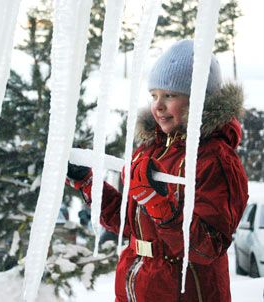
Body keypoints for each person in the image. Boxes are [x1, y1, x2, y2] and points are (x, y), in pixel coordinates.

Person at [66, 39, 249, 302]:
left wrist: (158, 203)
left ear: (199, 100)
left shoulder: (216, 159)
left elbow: (209, 247)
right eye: (154, 95)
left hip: (187, 292)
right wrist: (88, 183)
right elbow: (130, 224)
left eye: (170, 95)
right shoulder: (149, 149)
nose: (158, 105)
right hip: (137, 287)